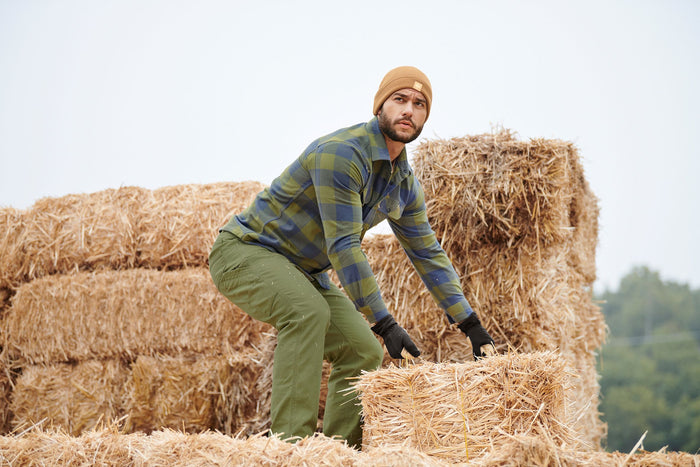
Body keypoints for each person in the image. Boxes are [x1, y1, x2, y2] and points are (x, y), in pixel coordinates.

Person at [209, 66, 496, 448]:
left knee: (361, 348)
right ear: (380, 106)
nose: (409, 110)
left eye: (419, 104)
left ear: (427, 115)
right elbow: (343, 246)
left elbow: (427, 253)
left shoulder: (404, 184)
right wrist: (386, 324)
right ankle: (289, 449)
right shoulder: (342, 154)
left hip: (303, 270)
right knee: (308, 312)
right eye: (400, 100)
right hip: (247, 252)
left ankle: (338, 453)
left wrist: (471, 325)